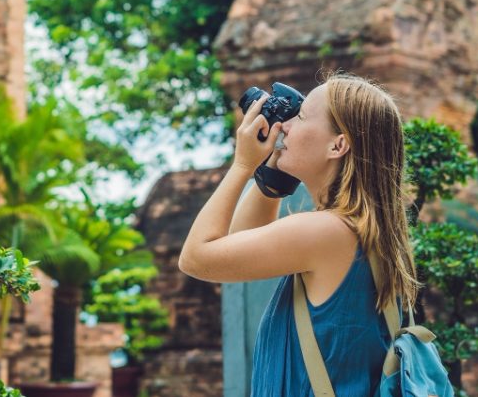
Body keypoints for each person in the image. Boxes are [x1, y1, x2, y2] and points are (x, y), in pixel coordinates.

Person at [178, 71, 420, 396]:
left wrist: (242, 166)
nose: (286, 126)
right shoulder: (362, 231)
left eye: (302, 116)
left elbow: (197, 258)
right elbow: (240, 248)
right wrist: (273, 175)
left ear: (338, 145)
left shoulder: (325, 231)